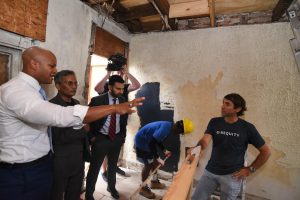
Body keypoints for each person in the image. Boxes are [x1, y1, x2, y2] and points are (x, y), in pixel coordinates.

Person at [0, 46, 144, 200]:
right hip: (23, 172)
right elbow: (59, 116)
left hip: (43, 164)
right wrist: (113, 108)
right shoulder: (17, 91)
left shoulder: (34, 91)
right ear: (34, 64)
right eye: (51, 65)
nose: (55, 70)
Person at [190, 93, 271, 200]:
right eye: (223, 103)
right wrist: (197, 148)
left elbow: (266, 152)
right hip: (210, 172)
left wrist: (250, 169)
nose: (223, 106)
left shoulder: (247, 128)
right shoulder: (214, 122)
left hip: (232, 176)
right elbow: (205, 140)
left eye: (227, 104)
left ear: (237, 109)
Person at [94, 57, 141, 180]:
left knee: (117, 145)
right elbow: (96, 89)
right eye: (117, 88)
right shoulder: (107, 86)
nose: (119, 90)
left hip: (120, 123)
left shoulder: (123, 87)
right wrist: (108, 74)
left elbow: (137, 85)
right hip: (107, 123)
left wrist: (126, 73)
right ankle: (104, 171)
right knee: (105, 148)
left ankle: (113, 166)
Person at [85, 75, 129, 200]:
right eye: (117, 89)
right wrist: (92, 137)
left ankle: (111, 187)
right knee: (94, 168)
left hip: (116, 139)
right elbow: (86, 120)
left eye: (122, 89)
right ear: (110, 87)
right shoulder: (97, 100)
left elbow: (124, 120)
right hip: (100, 139)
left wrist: (122, 138)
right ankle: (89, 194)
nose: (120, 91)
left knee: (113, 165)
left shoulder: (122, 100)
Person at [49, 70, 90, 200]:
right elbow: (58, 136)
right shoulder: (51, 106)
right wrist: (83, 130)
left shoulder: (76, 103)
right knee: (57, 193)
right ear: (58, 86)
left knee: (74, 191)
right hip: (61, 158)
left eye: (75, 83)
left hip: (78, 156)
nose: (74, 86)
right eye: (69, 83)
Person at [134, 119, 194, 199]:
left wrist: (164, 150)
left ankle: (154, 182)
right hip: (142, 141)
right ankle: (143, 188)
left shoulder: (168, 127)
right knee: (148, 165)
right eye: (181, 132)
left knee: (155, 162)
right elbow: (152, 143)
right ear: (179, 128)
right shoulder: (165, 129)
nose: (179, 134)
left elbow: (156, 140)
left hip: (148, 141)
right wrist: (158, 158)